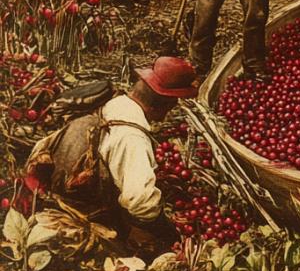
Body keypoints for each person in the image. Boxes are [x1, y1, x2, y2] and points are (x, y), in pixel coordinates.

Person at [26, 56, 197, 259]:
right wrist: (168, 232)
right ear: (167, 103)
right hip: (79, 217)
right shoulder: (132, 138)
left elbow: (42, 148)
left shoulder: (110, 105)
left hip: (53, 195)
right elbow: (140, 202)